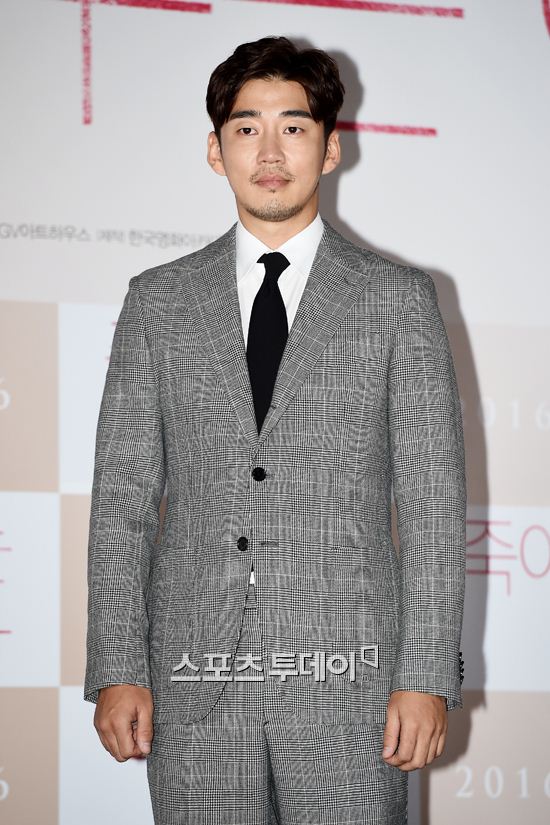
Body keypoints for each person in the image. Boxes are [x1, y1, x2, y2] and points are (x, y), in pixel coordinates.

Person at [84, 35, 466, 825]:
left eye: (293, 127)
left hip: (354, 687)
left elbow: (432, 502)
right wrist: (118, 665)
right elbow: (122, 500)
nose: (269, 150)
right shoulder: (158, 302)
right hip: (193, 686)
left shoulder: (397, 300)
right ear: (215, 150)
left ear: (330, 148)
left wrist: (425, 675)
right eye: (246, 127)